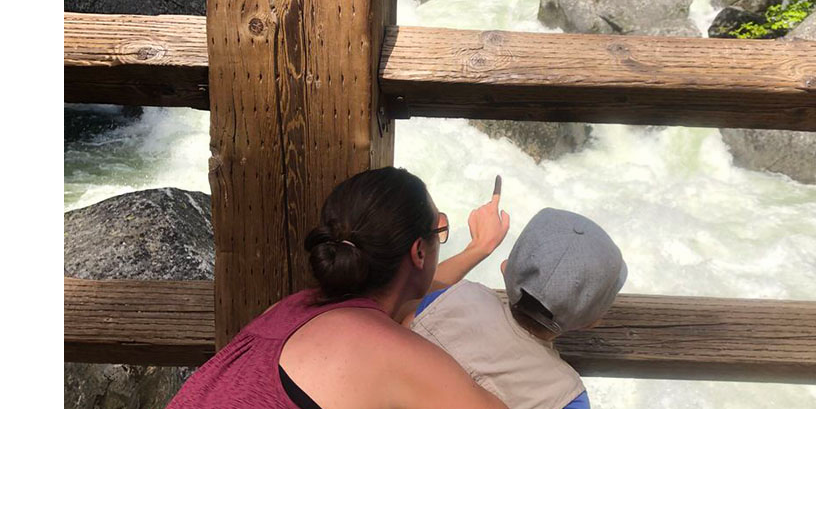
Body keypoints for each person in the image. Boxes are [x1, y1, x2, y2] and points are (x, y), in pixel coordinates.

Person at [167, 166, 510, 408]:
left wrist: (477, 249)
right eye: (439, 230)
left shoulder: (291, 309)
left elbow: (405, 288)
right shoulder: (391, 352)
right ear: (419, 251)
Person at [406, 206, 628, 409]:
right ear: (593, 321)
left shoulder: (450, 299)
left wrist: (478, 247)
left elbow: (415, 295)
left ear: (505, 268)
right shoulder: (568, 399)